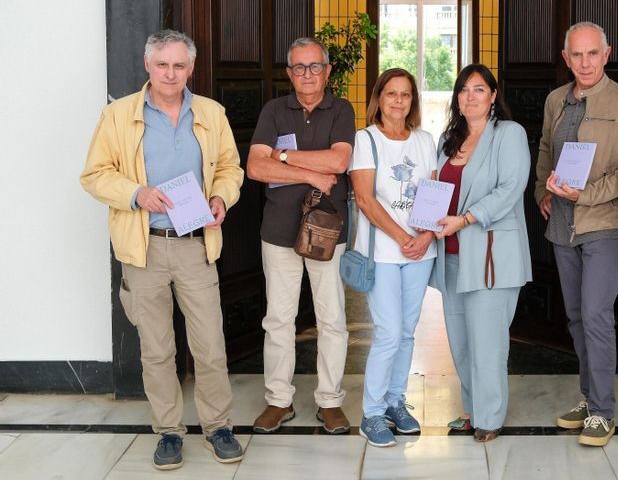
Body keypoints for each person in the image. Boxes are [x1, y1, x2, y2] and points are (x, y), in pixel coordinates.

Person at [80, 29, 245, 470]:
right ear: (148, 66)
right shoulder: (118, 116)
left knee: (210, 345)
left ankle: (218, 427)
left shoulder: (211, 113)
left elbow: (231, 167)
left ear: (190, 69)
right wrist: (137, 193)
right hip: (144, 248)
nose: (170, 73)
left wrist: (220, 198)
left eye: (179, 65)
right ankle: (169, 432)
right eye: (162, 64)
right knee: (157, 350)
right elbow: (94, 175)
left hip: (195, 245)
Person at [535, 21, 618, 447]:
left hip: (603, 225)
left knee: (597, 317)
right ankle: (589, 397)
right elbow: (546, 149)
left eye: (592, 54)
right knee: (577, 317)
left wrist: (586, 195)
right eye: (576, 55)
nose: (584, 62)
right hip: (562, 225)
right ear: (566, 58)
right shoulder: (554, 101)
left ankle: (603, 411)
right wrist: (542, 190)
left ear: (607, 54)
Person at [247, 37, 355, 435]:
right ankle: (278, 400)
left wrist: (282, 156)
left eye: (314, 67)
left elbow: (339, 160)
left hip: (327, 230)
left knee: (332, 320)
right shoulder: (274, 110)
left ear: (327, 71)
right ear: (289, 73)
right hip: (277, 231)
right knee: (278, 319)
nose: (307, 74)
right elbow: (256, 168)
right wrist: (311, 173)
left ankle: (330, 401)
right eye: (298, 67)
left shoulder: (341, 109)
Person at [431, 64, 532, 443]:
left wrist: (465, 218)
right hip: (452, 256)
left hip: (491, 256)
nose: (470, 96)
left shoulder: (509, 134)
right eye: (463, 90)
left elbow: (510, 189)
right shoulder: (448, 139)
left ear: (493, 96)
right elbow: (435, 186)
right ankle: (472, 411)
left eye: (479, 89)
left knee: (488, 342)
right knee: (460, 342)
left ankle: (490, 418)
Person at [348, 68, 438, 447]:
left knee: (405, 332)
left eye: (405, 95)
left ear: (412, 101)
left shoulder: (425, 139)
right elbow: (366, 199)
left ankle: (395, 403)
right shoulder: (366, 139)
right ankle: (371, 413)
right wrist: (404, 236)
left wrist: (428, 235)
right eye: (391, 94)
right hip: (384, 252)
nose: (398, 101)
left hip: (420, 251)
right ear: (379, 99)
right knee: (387, 332)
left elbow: (434, 194)